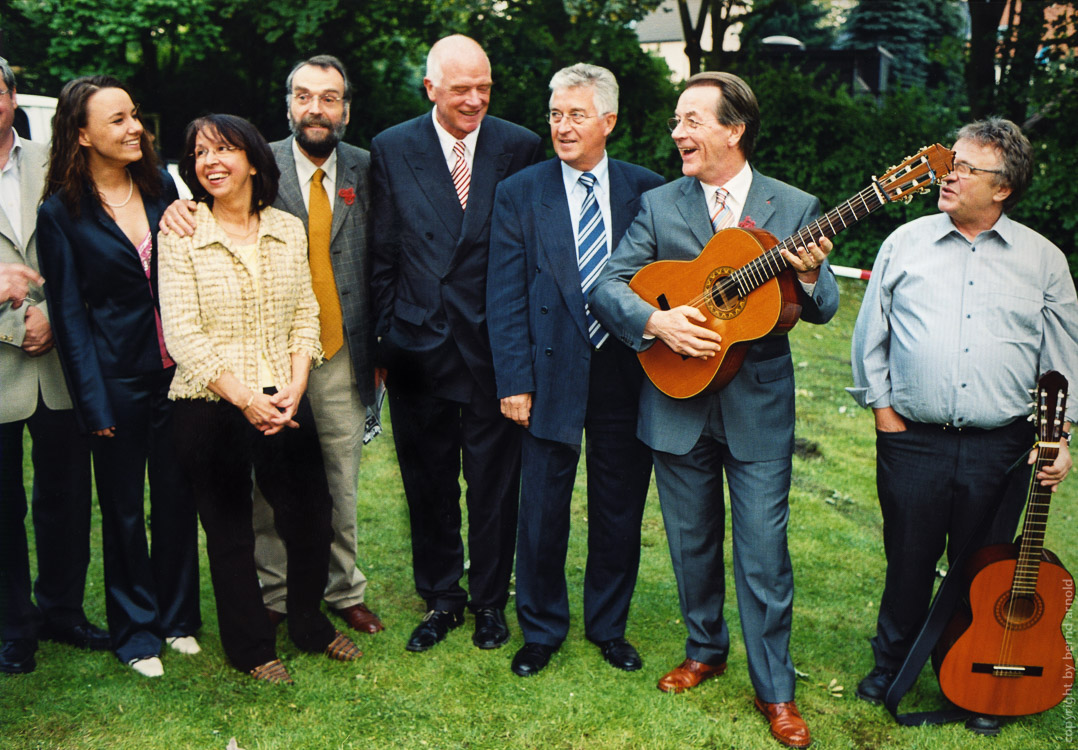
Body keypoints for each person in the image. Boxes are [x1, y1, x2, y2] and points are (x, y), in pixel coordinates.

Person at [590, 71, 838, 749]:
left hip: (757, 406)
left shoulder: (794, 206)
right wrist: (656, 324)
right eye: (675, 121)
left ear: (734, 128)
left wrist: (810, 274)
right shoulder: (660, 204)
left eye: (691, 120)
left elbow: (819, 308)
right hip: (674, 399)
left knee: (764, 554)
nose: (677, 133)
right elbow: (609, 284)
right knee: (690, 542)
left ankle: (775, 689)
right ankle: (705, 648)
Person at [848, 117, 1077, 735]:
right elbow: (872, 333)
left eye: (966, 167)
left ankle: (971, 674)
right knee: (909, 559)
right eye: (952, 161)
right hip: (912, 440)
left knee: (985, 571)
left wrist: (1061, 437)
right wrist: (884, 412)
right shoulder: (906, 242)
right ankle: (890, 662)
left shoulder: (1044, 261)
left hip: (1001, 447)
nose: (947, 173)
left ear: (1002, 188)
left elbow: (1063, 357)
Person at [160, 54, 383, 635]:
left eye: (330, 97)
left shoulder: (369, 166)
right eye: (305, 96)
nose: (316, 108)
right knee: (257, 498)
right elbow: (209, 199)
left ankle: (342, 589)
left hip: (333, 351)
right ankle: (276, 593)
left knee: (335, 482)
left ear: (346, 109)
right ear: (288, 105)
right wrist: (177, 209)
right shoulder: (256, 162)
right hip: (246, 367)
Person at [486, 63, 662, 677]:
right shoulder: (520, 192)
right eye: (556, 114)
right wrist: (513, 381)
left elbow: (664, 290)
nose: (562, 126)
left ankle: (608, 627)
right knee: (541, 510)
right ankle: (540, 629)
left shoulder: (648, 190)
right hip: (547, 372)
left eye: (577, 115)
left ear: (608, 121)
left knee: (619, 508)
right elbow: (503, 295)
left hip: (627, 375)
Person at [370, 34, 542, 653]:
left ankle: (491, 603)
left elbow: (529, 259)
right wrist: (383, 346)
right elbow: (383, 253)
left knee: (495, 486)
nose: (475, 100)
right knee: (429, 483)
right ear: (431, 88)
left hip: (495, 351)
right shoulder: (391, 148)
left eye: (484, 88)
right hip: (419, 351)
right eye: (462, 88)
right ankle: (442, 597)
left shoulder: (520, 146)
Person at [35, 75, 201, 677]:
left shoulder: (163, 186)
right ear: (82, 136)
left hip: (179, 373)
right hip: (116, 381)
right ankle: (135, 631)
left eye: (134, 115)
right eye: (117, 120)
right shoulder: (61, 213)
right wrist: (92, 403)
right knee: (125, 508)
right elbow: (70, 317)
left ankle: (179, 617)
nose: (135, 128)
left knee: (179, 499)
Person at [0, 59, 107, 676]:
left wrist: (55, 319)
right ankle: (15, 627)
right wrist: (15, 318)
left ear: (12, 96)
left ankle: (62, 609)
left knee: (66, 497)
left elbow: (94, 250)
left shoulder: (57, 161)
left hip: (63, 365)